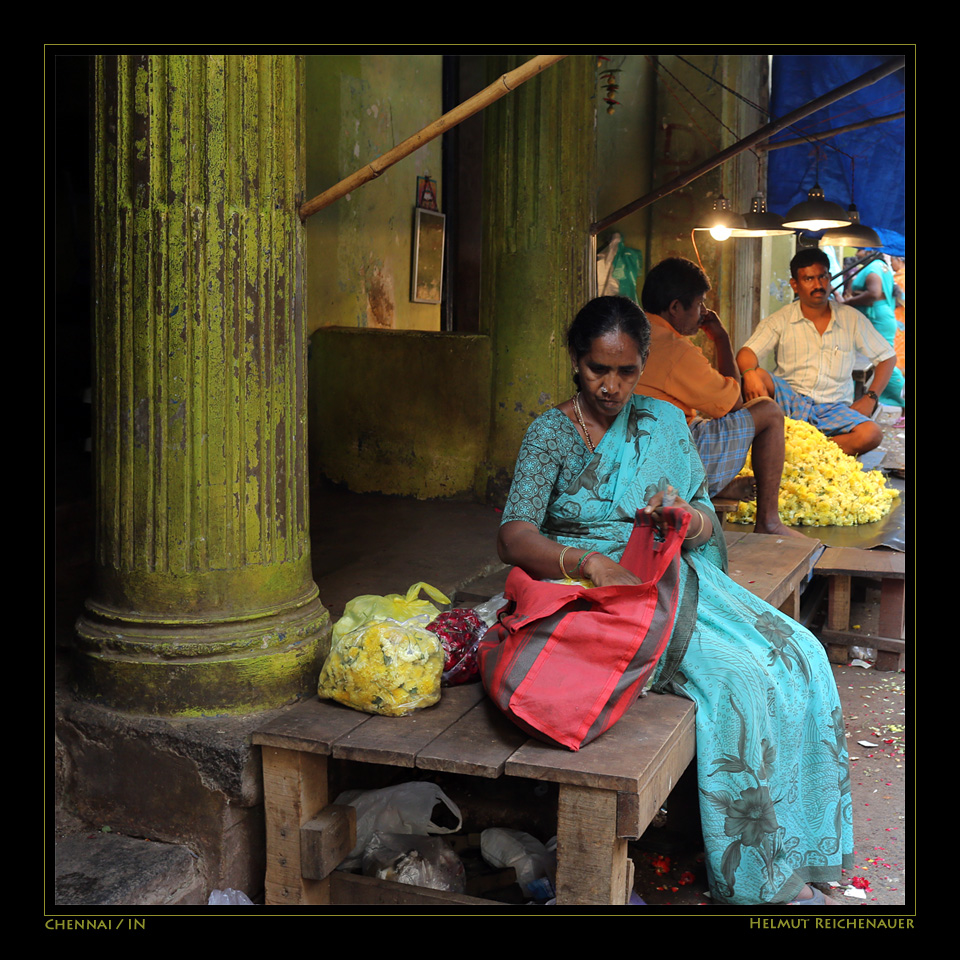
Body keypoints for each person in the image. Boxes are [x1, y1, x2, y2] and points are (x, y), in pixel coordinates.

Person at [497, 296, 853, 906]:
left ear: (643, 367)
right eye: (595, 370)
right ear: (575, 362)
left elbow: (704, 513)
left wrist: (690, 524)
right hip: (590, 593)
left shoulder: (662, 423)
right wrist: (585, 561)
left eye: (625, 372)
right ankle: (752, 870)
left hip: (672, 577)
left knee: (801, 652)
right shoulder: (550, 435)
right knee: (739, 678)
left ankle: (805, 843)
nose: (610, 386)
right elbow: (514, 533)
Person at [633, 257, 800, 539]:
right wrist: (721, 339)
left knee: (700, 416)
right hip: (666, 457)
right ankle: (769, 521)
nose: (703, 312)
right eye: (699, 303)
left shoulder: (633, 331)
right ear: (675, 307)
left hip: (634, 451)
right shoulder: (675, 350)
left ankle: (713, 486)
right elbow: (734, 406)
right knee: (769, 411)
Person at [736, 248, 897, 457]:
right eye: (808, 279)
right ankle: (814, 450)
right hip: (790, 400)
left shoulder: (851, 318)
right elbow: (747, 352)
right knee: (754, 376)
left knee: (871, 434)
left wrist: (871, 397)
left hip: (835, 408)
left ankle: (803, 454)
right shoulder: (781, 319)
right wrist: (749, 373)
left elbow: (887, 357)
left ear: (830, 278)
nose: (818, 285)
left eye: (822, 277)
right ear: (795, 285)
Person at [840, 251, 905, 409]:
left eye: (861, 249)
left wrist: (849, 302)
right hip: (881, 317)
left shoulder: (874, 267)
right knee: (881, 359)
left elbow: (874, 293)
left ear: (870, 251)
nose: (857, 252)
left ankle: (902, 397)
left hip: (877, 319)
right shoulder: (881, 266)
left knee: (883, 360)